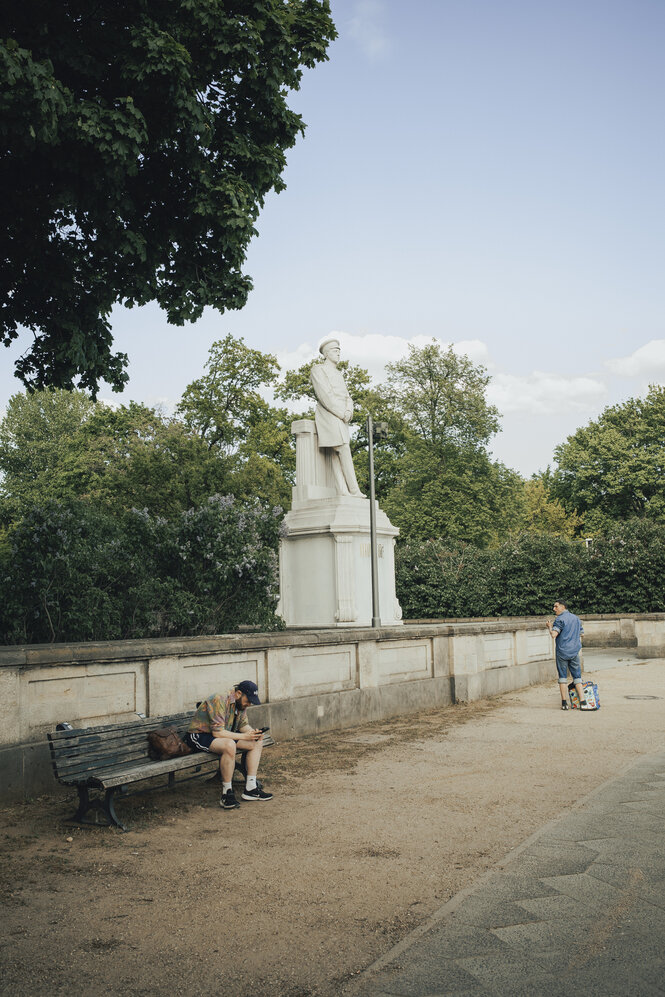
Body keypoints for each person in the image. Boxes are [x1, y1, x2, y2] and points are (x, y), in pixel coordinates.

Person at [185, 681, 273, 809]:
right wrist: (244, 736)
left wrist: (253, 733)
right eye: (248, 700)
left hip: (222, 735)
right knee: (229, 745)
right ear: (238, 693)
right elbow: (217, 732)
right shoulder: (219, 699)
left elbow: (242, 725)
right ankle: (227, 794)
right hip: (198, 735)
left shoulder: (240, 705)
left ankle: (251, 788)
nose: (249, 704)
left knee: (256, 741)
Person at [310, 336, 364, 497]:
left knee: (336, 452)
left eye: (339, 350)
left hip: (341, 416)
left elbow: (348, 396)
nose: (338, 353)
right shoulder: (318, 369)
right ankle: (354, 489)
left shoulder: (338, 373)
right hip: (329, 415)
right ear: (326, 354)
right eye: (335, 350)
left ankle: (342, 490)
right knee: (342, 448)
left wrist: (349, 411)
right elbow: (324, 395)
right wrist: (341, 413)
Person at [546, 599, 591, 710]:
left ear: (563, 607)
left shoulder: (559, 620)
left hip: (562, 652)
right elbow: (582, 634)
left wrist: (549, 627)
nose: (554, 609)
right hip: (574, 651)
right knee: (577, 677)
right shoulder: (576, 618)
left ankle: (564, 703)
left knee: (563, 677)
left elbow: (553, 635)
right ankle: (583, 701)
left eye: (556, 606)